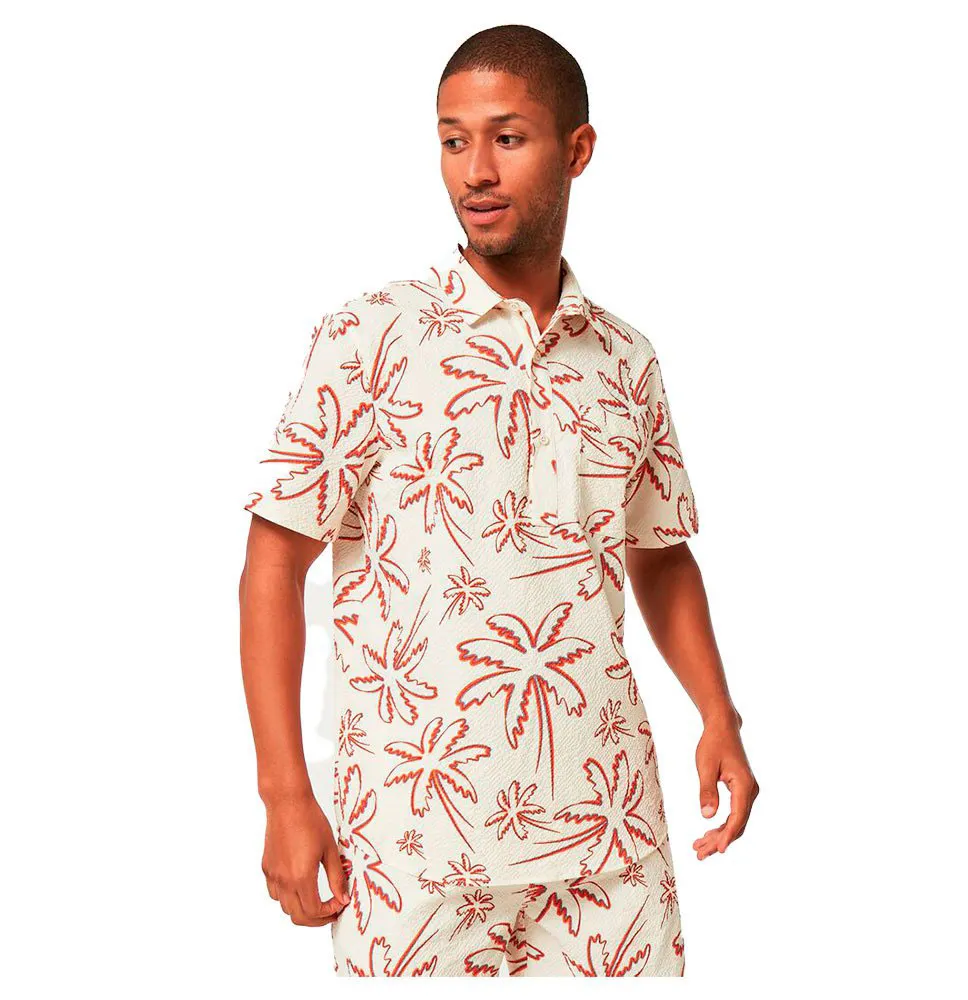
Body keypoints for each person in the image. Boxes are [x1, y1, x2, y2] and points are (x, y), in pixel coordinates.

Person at [238, 23, 759, 978]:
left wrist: (718, 713)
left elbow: (659, 551)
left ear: (577, 149)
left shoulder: (626, 358)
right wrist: (283, 794)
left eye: (507, 138)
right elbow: (273, 562)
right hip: (412, 847)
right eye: (453, 140)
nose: (475, 170)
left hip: (608, 837)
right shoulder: (371, 338)